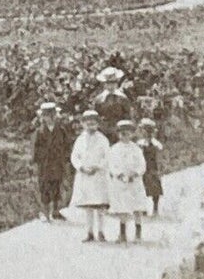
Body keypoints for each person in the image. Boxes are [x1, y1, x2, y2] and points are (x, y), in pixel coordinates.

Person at [69, 109, 111, 243]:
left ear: (98, 124)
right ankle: (89, 232)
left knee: (99, 206)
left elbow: (107, 156)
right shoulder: (80, 140)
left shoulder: (103, 139)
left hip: (98, 175)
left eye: (93, 124)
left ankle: (101, 231)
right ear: (83, 124)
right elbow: (74, 156)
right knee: (88, 206)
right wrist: (81, 167)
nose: (90, 127)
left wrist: (98, 166)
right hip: (85, 175)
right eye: (88, 124)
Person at [107, 119, 148, 244]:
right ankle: (123, 233)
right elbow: (111, 164)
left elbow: (142, 164)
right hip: (121, 181)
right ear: (118, 134)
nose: (125, 136)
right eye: (122, 134)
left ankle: (138, 232)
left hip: (134, 181)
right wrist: (119, 174)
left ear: (132, 134)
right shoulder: (114, 149)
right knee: (122, 207)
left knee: (137, 206)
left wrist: (135, 173)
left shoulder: (136, 149)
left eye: (128, 133)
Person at [33, 100, 71, 222]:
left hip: (57, 163)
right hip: (45, 165)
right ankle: (45, 212)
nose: (49, 118)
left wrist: (65, 159)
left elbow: (66, 146)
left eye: (51, 116)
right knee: (44, 187)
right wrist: (39, 160)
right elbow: (36, 148)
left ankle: (56, 210)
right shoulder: (39, 132)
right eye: (46, 116)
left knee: (57, 185)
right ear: (42, 117)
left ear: (56, 116)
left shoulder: (61, 130)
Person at [93, 66, 132, 141]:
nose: (111, 86)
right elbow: (96, 116)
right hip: (103, 131)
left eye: (113, 83)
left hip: (119, 130)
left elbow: (127, 115)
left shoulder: (122, 98)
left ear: (117, 83)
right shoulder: (99, 99)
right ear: (104, 84)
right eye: (108, 83)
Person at [138, 116, 165, 216]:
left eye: (148, 130)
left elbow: (159, 157)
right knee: (142, 188)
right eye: (144, 130)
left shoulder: (156, 144)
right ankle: (143, 208)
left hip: (153, 168)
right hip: (143, 168)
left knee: (155, 189)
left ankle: (155, 208)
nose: (146, 133)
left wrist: (160, 169)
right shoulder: (140, 144)